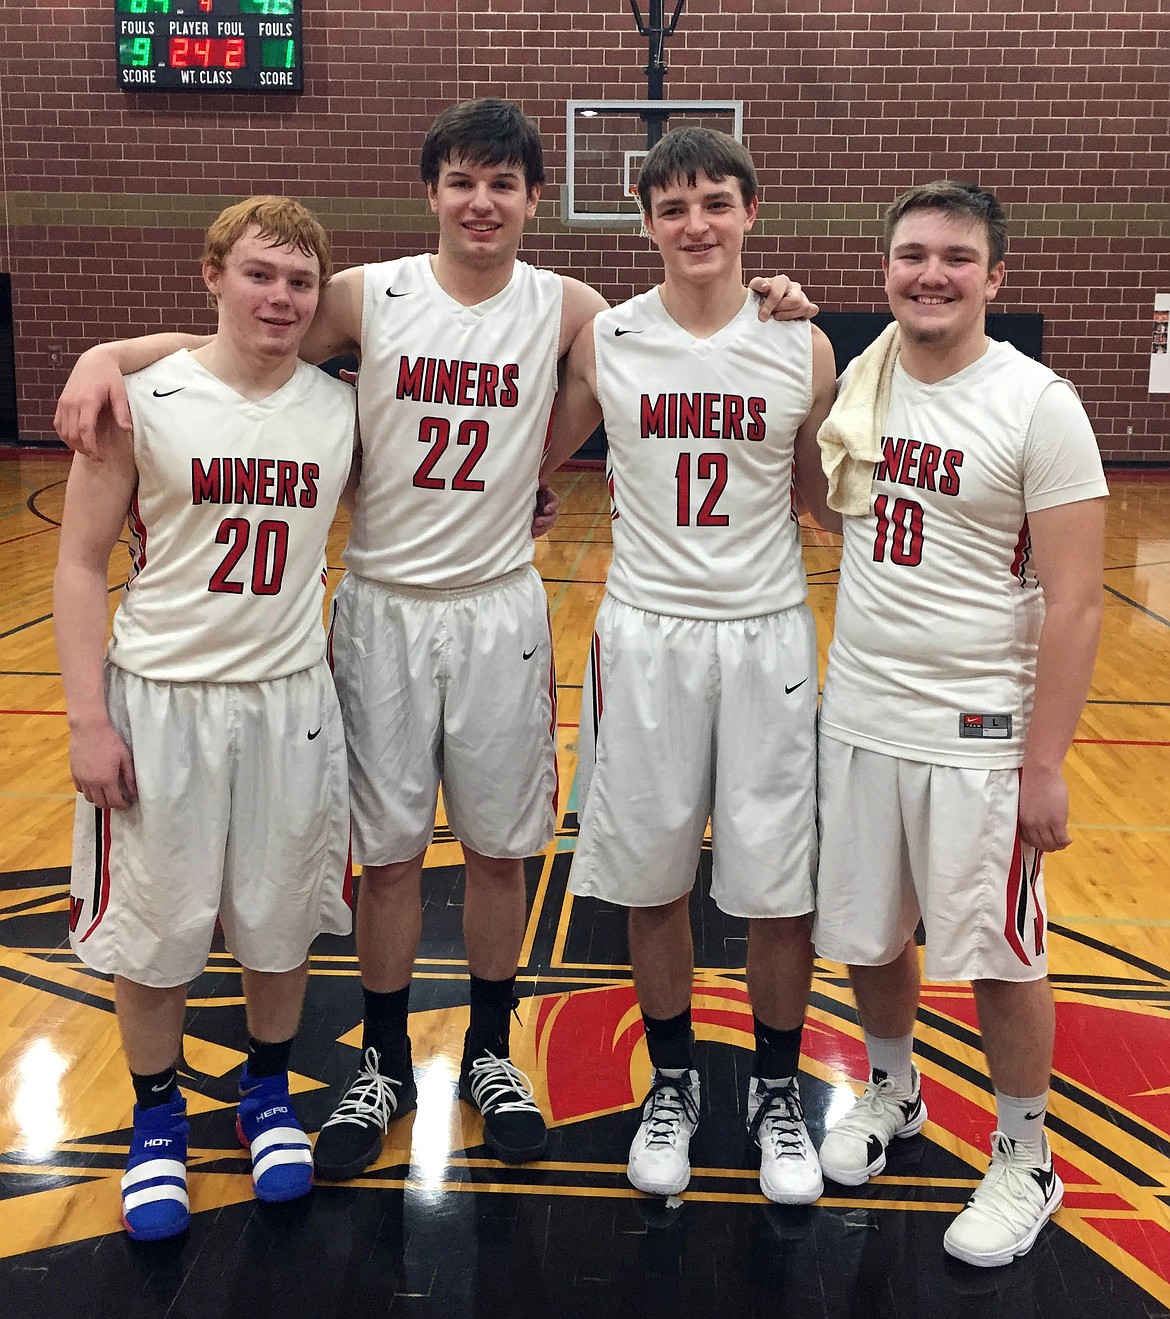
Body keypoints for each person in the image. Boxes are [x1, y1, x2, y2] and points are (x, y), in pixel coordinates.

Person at [53, 98, 815, 1178]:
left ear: (535, 200)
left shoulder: (572, 309)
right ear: (433, 193)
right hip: (382, 607)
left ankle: (495, 1051)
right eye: (462, 180)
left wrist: (772, 298)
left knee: (503, 848)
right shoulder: (370, 294)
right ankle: (382, 1059)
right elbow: (240, 344)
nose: (482, 201)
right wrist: (108, 351)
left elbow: (679, 343)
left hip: (501, 604)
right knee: (393, 854)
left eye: (504, 184)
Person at [541, 127, 838, 1204]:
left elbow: (822, 493)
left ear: (750, 211)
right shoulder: (608, 338)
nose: (696, 223)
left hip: (766, 633)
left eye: (715, 201)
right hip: (648, 634)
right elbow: (530, 452)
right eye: (673, 208)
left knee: (776, 887)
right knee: (653, 874)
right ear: (646, 221)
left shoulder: (800, 344)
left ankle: (773, 1089)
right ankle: (672, 1082)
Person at [812, 180, 1107, 1266]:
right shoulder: (864, 374)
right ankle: (895, 1090)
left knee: (1000, 955)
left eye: (955, 256)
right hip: (862, 709)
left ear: (996, 275)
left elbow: (1077, 599)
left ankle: (1027, 1153)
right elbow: (824, 499)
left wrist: (1047, 762)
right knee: (870, 926)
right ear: (885, 265)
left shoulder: (1039, 403)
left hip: (980, 730)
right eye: (911, 254)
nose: (930, 273)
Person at [54, 196, 357, 1240]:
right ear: (213, 275)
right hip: (162, 700)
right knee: (155, 929)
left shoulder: (339, 404)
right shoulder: (145, 398)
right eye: (261, 273)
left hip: (290, 702)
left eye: (300, 280)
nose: (281, 296)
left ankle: (267, 1093)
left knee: (280, 917)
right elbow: (80, 561)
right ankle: (155, 1118)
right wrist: (87, 719)